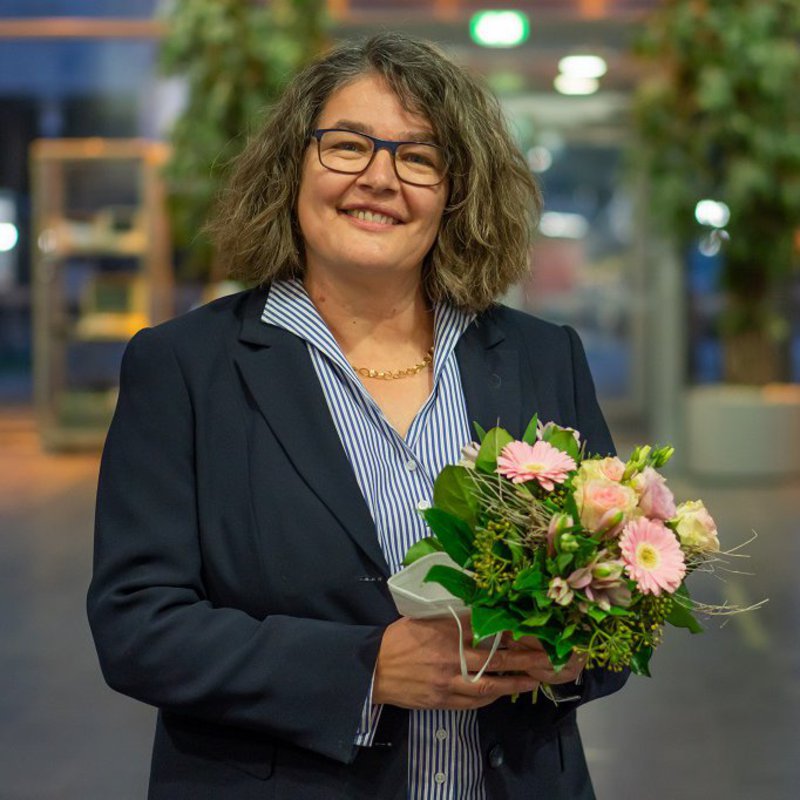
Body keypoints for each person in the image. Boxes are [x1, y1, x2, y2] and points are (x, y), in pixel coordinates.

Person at [88, 32, 627, 800]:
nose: (380, 178)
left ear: (458, 192)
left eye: (418, 156)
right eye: (347, 146)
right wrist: (365, 670)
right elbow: (137, 626)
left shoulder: (543, 357)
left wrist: (576, 652)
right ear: (292, 167)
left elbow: (613, 601)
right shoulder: (186, 367)